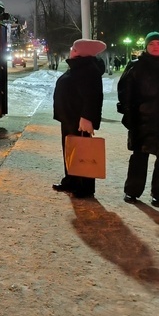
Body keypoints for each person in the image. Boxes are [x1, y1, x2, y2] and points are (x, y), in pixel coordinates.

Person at [117, 31, 159, 206]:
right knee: (139, 158)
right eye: (151, 44)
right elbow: (125, 92)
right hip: (141, 121)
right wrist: (128, 114)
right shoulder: (135, 66)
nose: (155, 47)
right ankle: (132, 191)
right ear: (146, 47)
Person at [52, 38, 106, 198]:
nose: (71, 49)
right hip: (69, 117)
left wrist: (87, 118)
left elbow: (93, 97)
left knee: (83, 151)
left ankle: (85, 187)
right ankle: (72, 181)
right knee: (71, 149)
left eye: (73, 48)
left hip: (79, 119)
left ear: (79, 51)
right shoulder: (78, 66)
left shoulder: (89, 69)